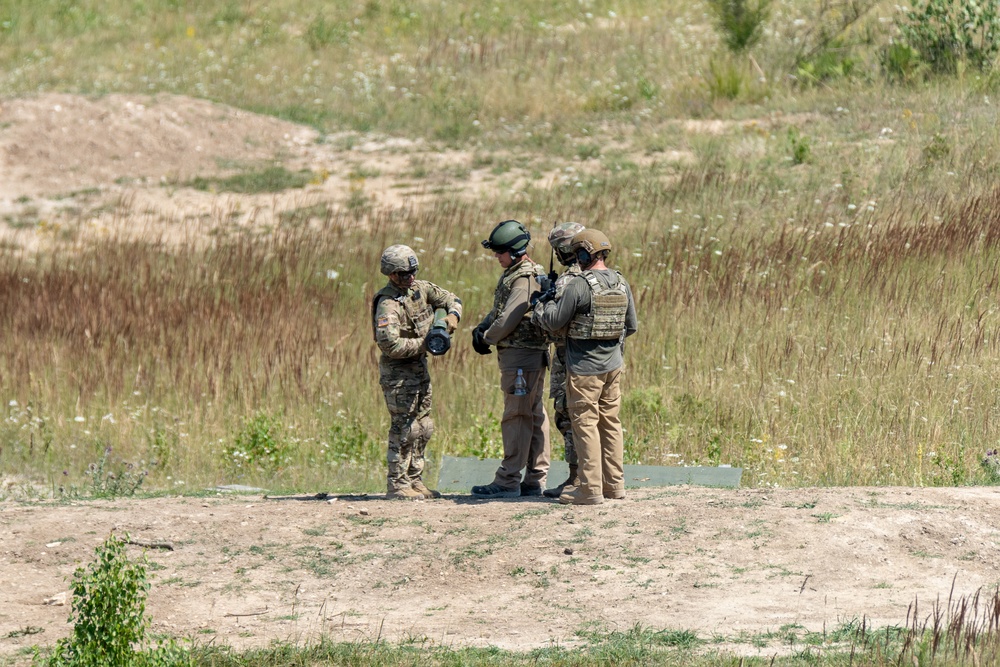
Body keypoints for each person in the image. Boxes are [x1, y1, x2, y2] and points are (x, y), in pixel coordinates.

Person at [532, 229, 638, 505]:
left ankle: (589, 489)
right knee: (610, 423)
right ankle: (614, 485)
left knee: (585, 424)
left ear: (582, 253)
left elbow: (555, 321)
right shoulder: (621, 281)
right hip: (613, 365)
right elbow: (632, 326)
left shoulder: (580, 284)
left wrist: (540, 308)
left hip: (584, 369)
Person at [372, 244, 462, 500]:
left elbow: (451, 299)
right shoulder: (388, 304)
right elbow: (390, 345)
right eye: (403, 274)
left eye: (412, 271)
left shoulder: (420, 289)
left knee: (424, 426)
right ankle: (398, 484)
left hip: (419, 370)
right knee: (404, 428)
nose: (409, 277)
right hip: (398, 374)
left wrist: (452, 316)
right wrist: (425, 344)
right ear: (390, 274)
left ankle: (415, 479)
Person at [470, 219, 551, 498]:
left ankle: (508, 480)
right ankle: (534, 479)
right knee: (533, 413)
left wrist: (487, 337)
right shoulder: (517, 272)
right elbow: (501, 309)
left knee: (517, 414)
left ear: (515, 251)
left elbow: (511, 315)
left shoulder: (525, 276)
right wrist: (482, 327)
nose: (496, 256)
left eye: (500, 251)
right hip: (526, 355)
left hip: (521, 356)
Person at [531, 221, 585, 499]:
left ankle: (577, 478)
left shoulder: (567, 281)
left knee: (568, 417)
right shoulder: (604, 276)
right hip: (599, 359)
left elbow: (551, 325)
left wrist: (541, 301)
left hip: (568, 359)